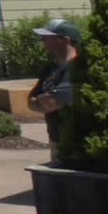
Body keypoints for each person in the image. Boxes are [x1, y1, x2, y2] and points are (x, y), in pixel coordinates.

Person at [29, 20, 83, 156]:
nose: (42, 41)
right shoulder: (48, 70)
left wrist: (43, 100)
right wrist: (42, 100)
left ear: (64, 40)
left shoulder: (78, 68)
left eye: (46, 37)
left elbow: (54, 102)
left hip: (76, 139)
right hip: (55, 138)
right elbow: (30, 101)